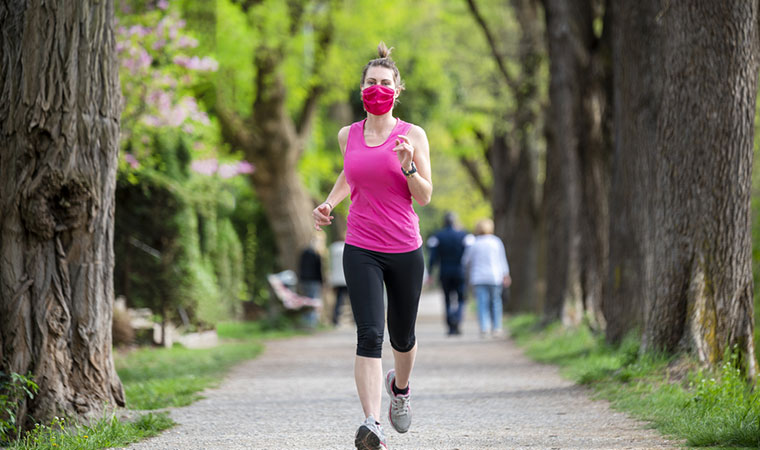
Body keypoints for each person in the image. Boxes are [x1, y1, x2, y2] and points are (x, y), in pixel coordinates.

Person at [312, 42, 433, 450]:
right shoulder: (348, 134)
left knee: (402, 336)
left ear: (397, 91)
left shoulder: (412, 135)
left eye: (385, 83)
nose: (377, 88)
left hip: (404, 248)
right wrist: (329, 202)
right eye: (371, 82)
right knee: (368, 334)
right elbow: (350, 176)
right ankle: (371, 424)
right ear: (361, 88)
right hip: (360, 245)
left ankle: (400, 388)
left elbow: (425, 196)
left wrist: (409, 166)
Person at [461, 218, 511, 338]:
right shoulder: (496, 242)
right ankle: (497, 327)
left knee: (482, 303)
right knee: (496, 302)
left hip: (478, 277)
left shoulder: (474, 243)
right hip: (494, 276)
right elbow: (502, 259)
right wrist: (506, 274)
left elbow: (465, 261)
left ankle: (484, 328)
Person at [426, 212, 473, 335]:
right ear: (455, 221)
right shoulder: (463, 235)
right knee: (461, 299)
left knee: (447, 299)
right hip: (460, 271)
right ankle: (457, 319)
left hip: (444, 271)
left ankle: (450, 326)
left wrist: (430, 273)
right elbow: (469, 255)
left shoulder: (438, 236)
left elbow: (433, 256)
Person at [298, 234, 324, 328]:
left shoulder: (304, 252)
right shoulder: (317, 254)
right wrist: (322, 282)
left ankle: (306, 322)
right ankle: (311, 323)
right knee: (313, 301)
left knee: (306, 301)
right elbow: (318, 270)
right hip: (314, 280)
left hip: (304, 280)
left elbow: (300, 267)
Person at [329, 231, 349, 326]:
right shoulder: (348, 247)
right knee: (353, 300)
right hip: (347, 278)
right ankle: (356, 319)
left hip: (337, 279)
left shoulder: (333, 248)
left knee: (339, 300)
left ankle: (335, 319)